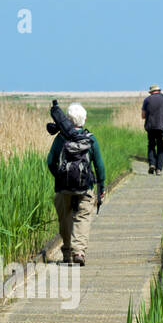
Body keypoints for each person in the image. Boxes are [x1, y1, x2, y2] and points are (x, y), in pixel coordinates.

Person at [45, 102, 106, 266]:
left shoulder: (60, 138)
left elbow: (50, 161)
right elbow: (99, 165)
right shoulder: (90, 139)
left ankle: (66, 252)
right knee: (83, 218)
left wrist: (59, 176)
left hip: (63, 188)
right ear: (83, 120)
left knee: (65, 218)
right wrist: (101, 186)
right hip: (85, 187)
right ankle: (79, 251)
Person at [141, 84, 163, 174]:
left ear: (151, 92)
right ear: (159, 91)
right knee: (161, 147)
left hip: (150, 127)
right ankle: (159, 169)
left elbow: (143, 116)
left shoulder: (147, 100)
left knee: (151, 145)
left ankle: (152, 164)